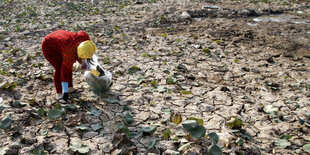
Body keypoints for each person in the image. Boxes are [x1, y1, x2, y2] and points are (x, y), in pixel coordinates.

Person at [41, 30, 97, 103]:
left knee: (69, 65)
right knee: (59, 69)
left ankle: (70, 88)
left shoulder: (85, 40)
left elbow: (80, 33)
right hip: (49, 46)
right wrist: (66, 93)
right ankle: (59, 93)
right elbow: (64, 73)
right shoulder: (69, 53)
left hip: (61, 39)